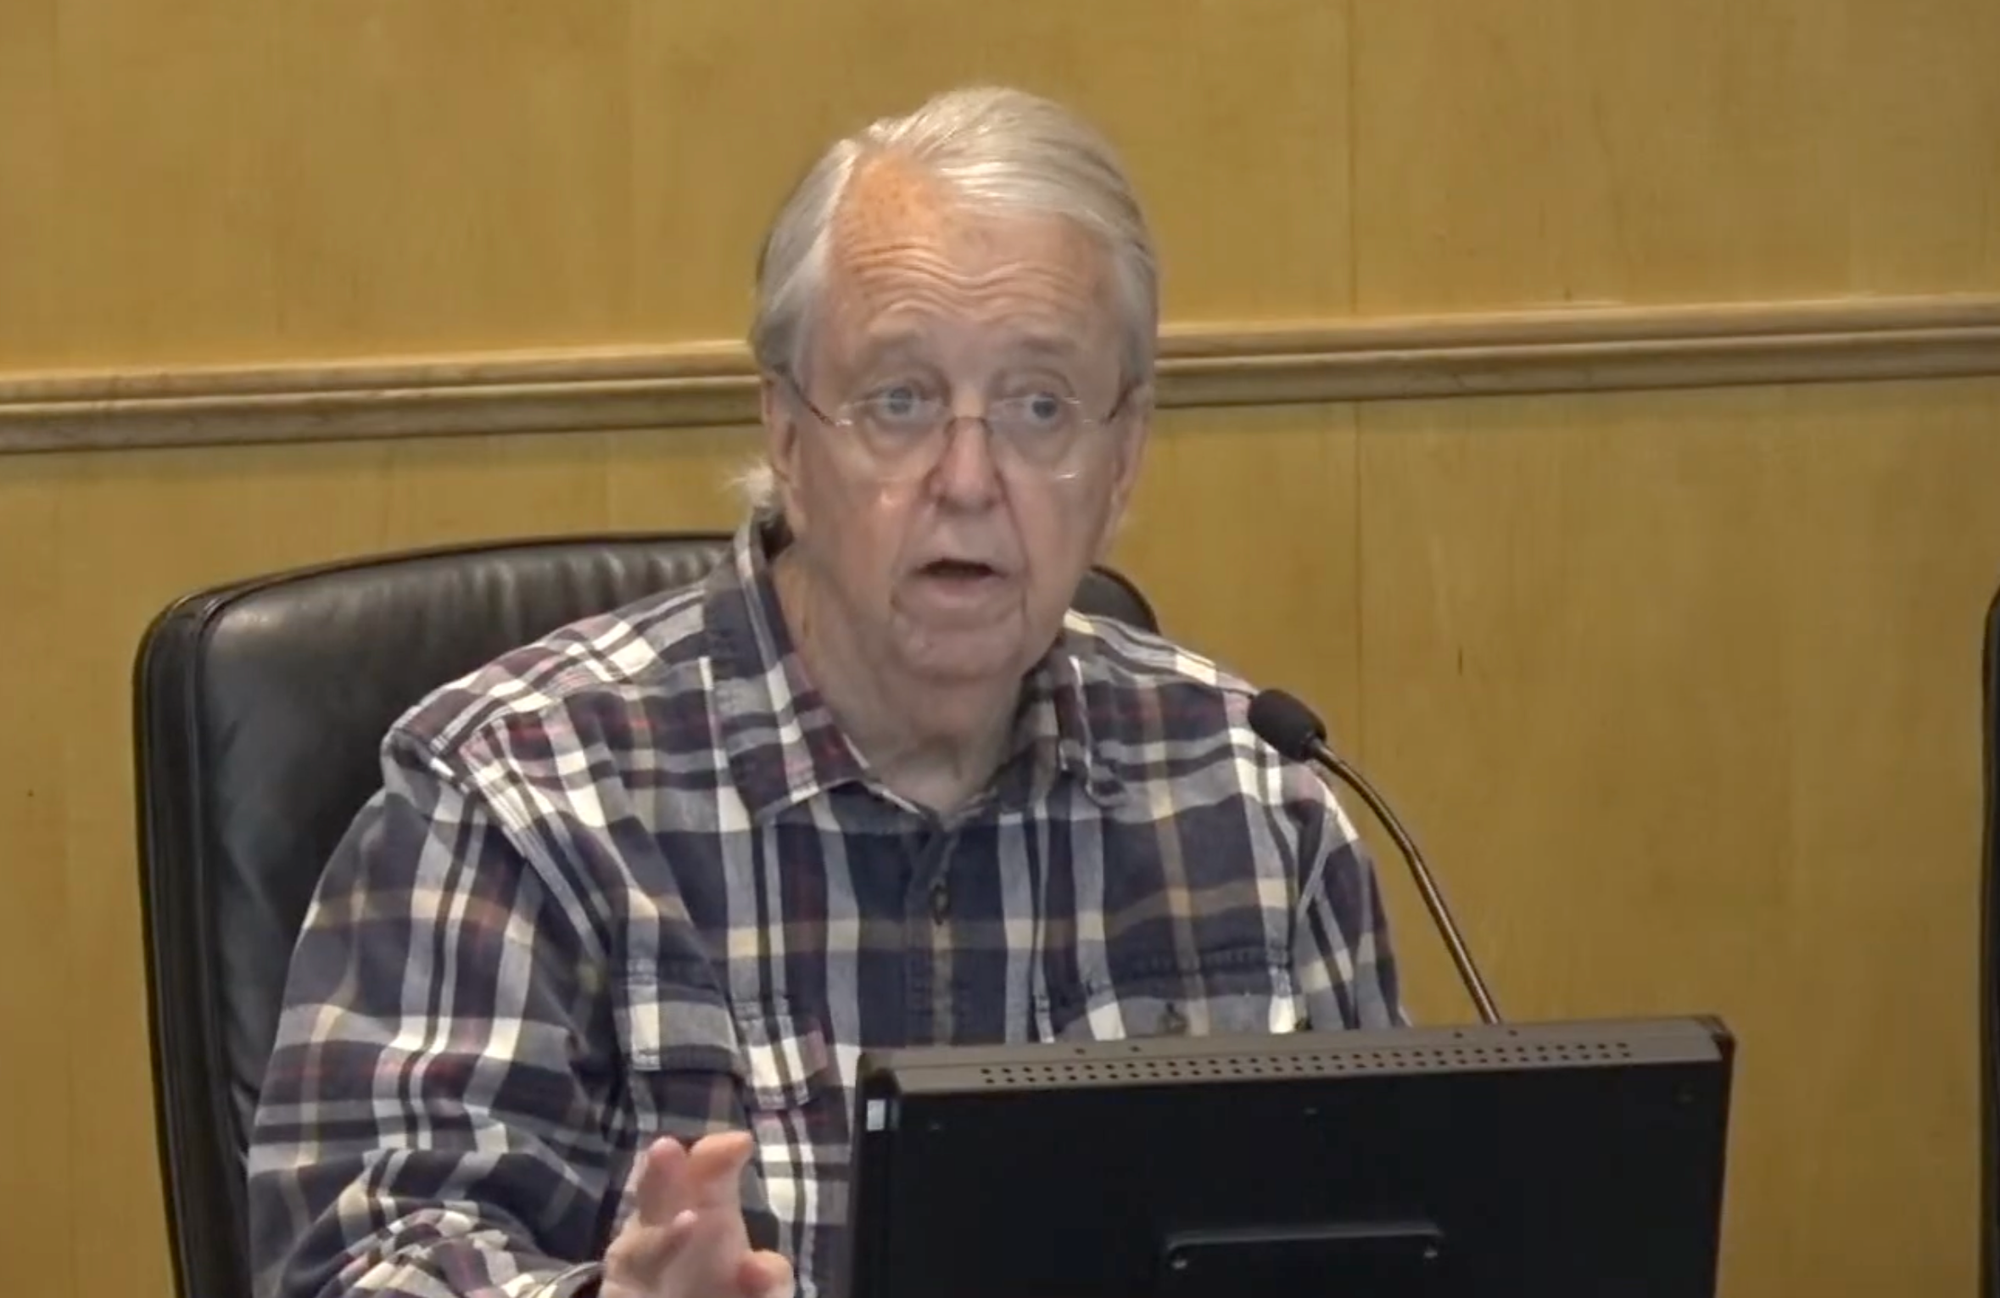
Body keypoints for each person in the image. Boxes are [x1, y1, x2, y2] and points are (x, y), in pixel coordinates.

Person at [246, 84, 1404, 1298]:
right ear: (787, 439)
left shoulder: (1254, 804)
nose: (967, 478)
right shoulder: (519, 797)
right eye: (899, 400)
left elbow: (1389, 1239)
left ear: (1120, 463)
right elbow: (366, 1261)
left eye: (1039, 406)